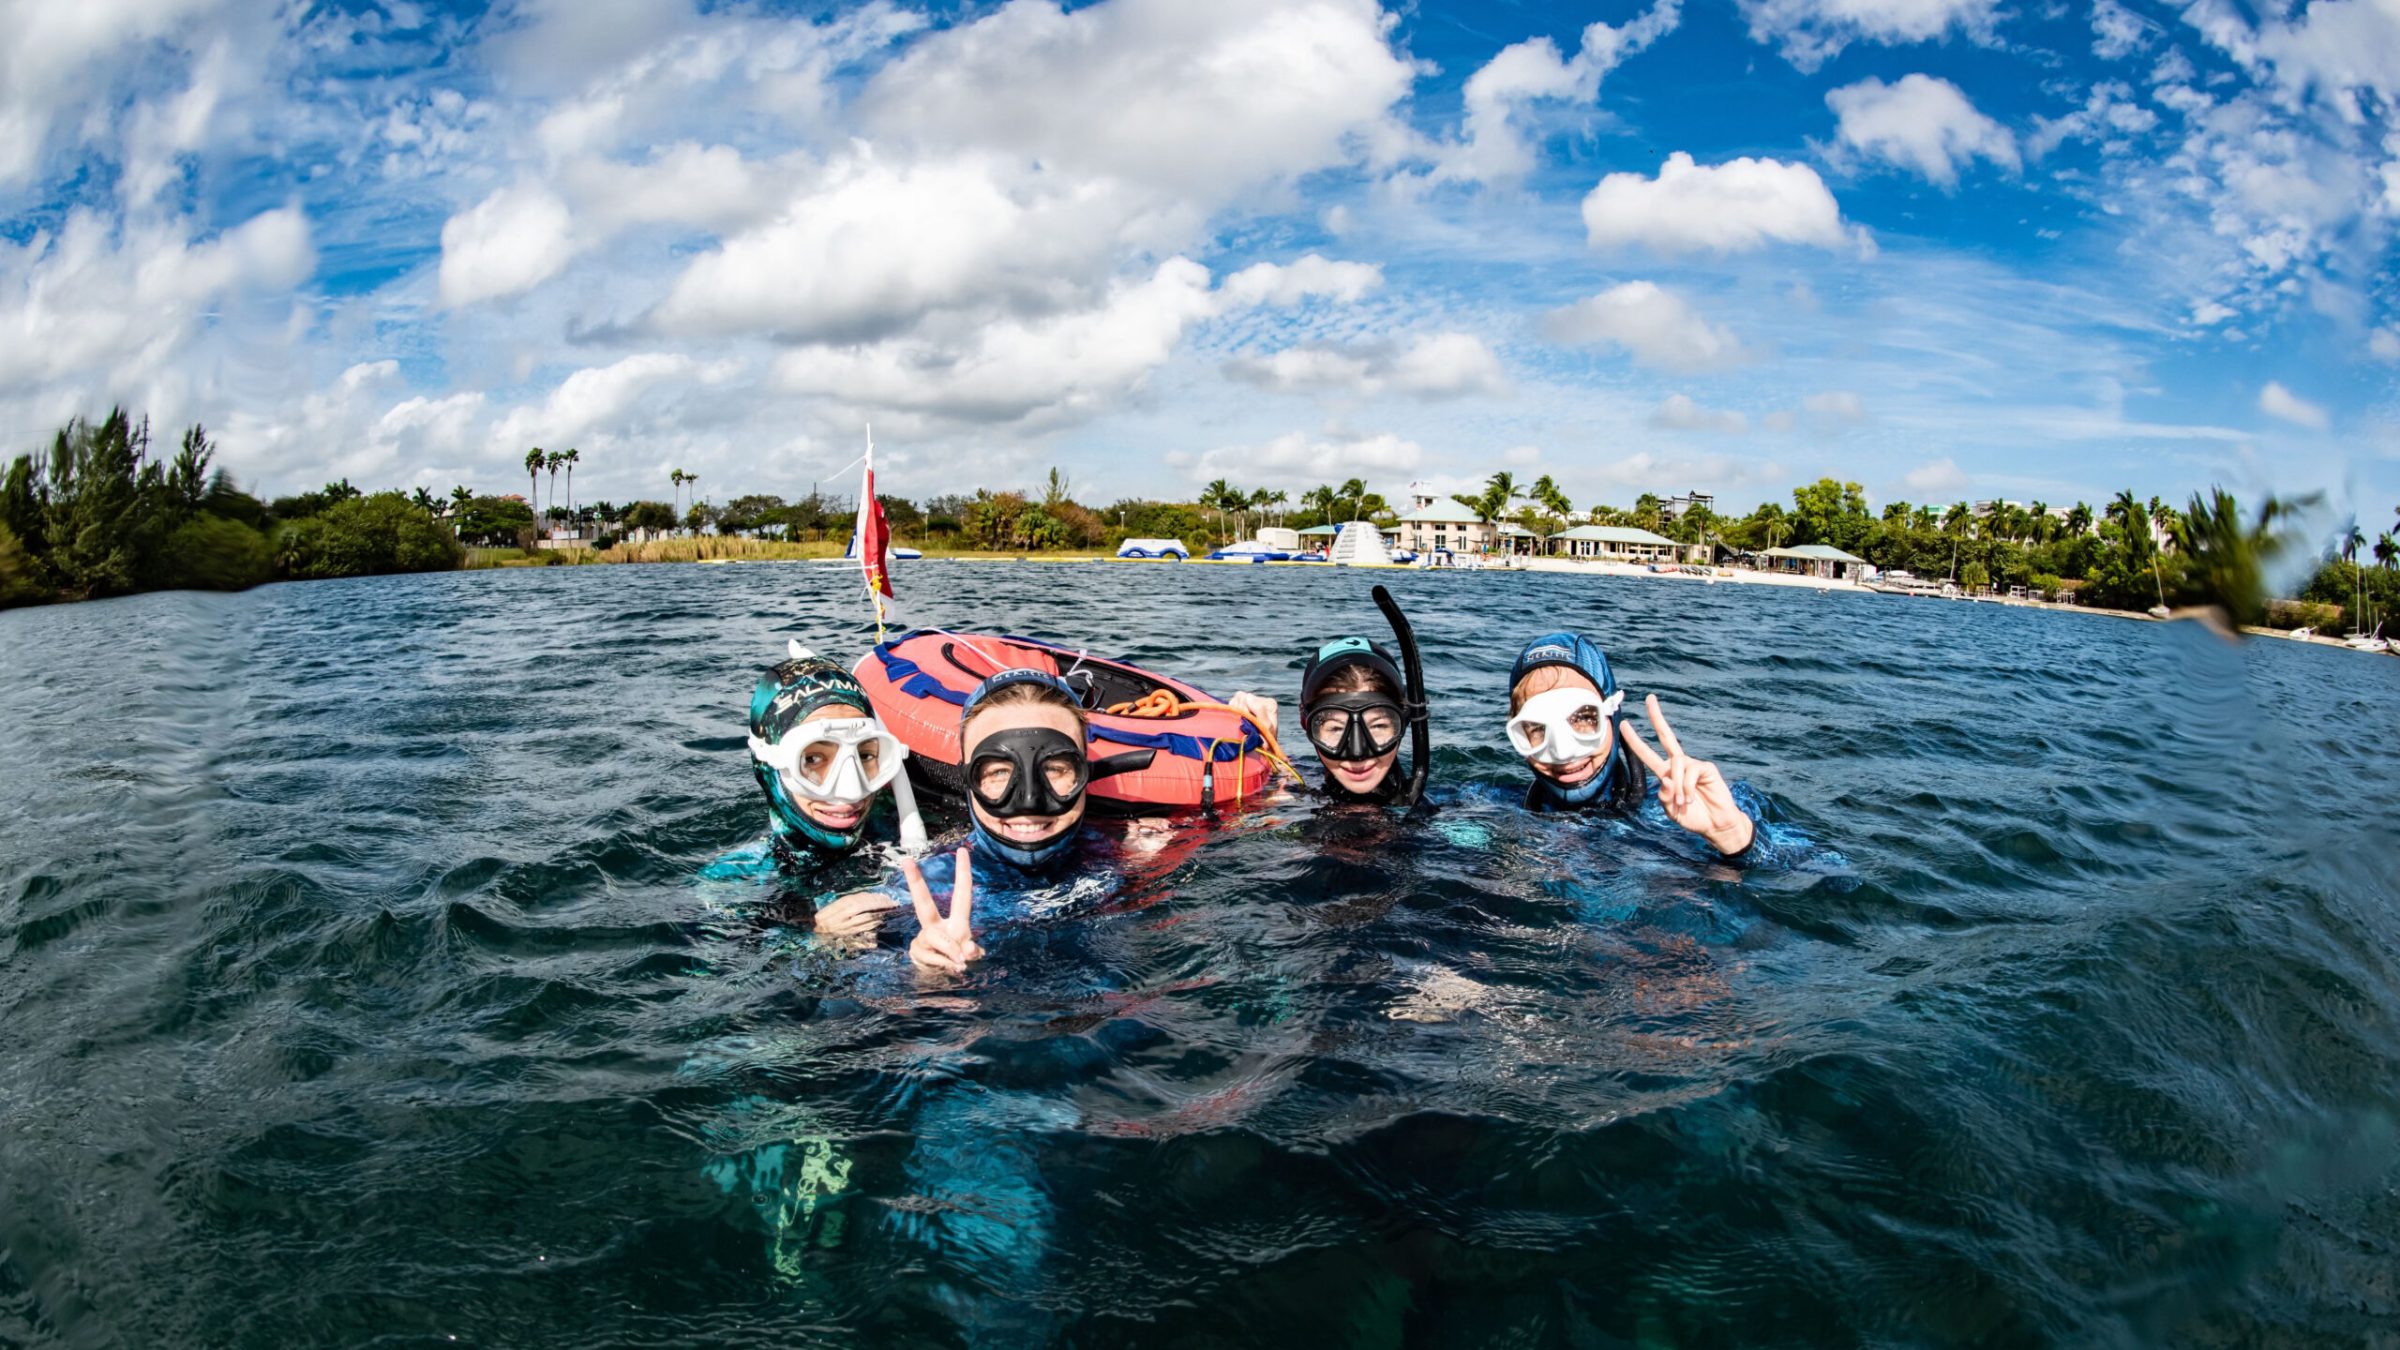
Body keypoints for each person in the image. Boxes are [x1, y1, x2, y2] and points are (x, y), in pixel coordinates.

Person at [895, 666, 1155, 974]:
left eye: (1055, 768)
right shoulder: (926, 887)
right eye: (998, 772)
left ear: (1085, 773)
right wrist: (926, 975)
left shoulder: (1115, 852)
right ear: (967, 779)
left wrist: (1139, 866)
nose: (1029, 801)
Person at [1503, 631, 1813, 867]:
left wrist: (1735, 837)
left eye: (1584, 718)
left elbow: (1829, 877)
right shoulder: (1493, 807)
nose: (1563, 749)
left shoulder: (1699, 805)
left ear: (1613, 714)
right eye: (1536, 728)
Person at [719, 642, 928, 944]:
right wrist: (816, 942)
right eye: (813, 759)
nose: (850, 788)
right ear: (769, 766)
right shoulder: (734, 880)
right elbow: (717, 972)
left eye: (866, 756)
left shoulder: (924, 834)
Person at [1227, 585, 1430, 807]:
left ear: (1404, 721)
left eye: (1378, 727)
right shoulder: (1294, 784)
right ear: (1306, 724)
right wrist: (1266, 749)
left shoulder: (1448, 817)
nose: (1357, 753)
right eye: (1335, 728)